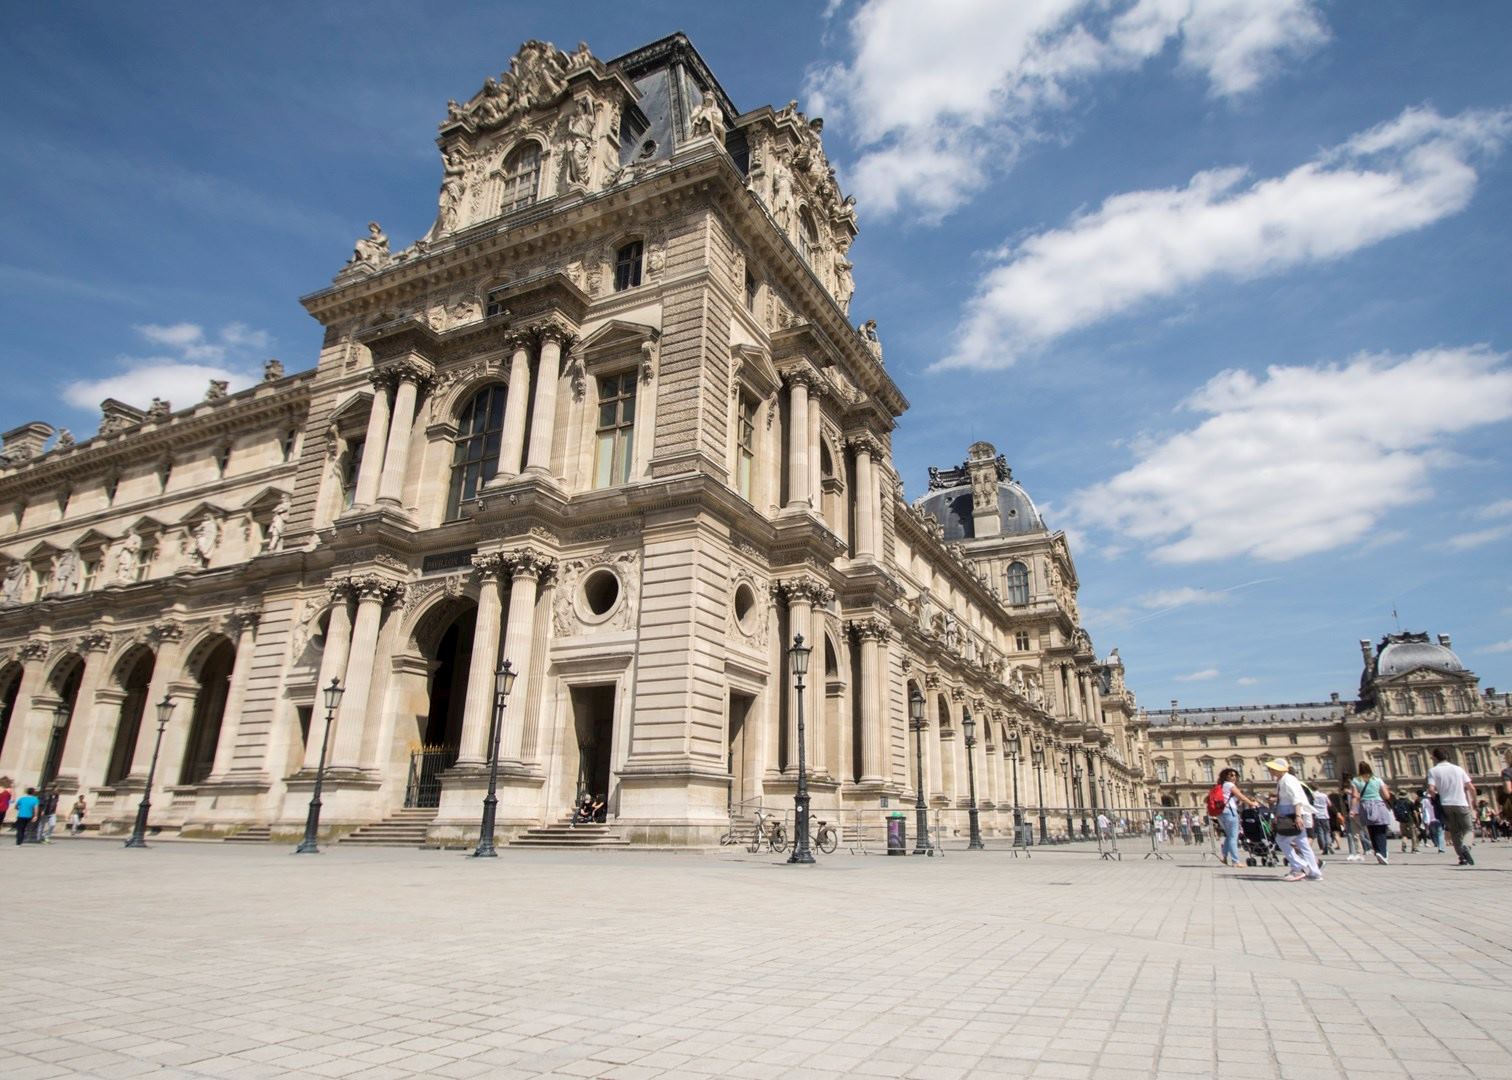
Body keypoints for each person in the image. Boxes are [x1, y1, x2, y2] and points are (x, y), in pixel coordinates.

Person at [1265, 759, 1322, 882]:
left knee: (1281, 840)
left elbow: (1296, 799)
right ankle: (1315, 872)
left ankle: (1299, 867)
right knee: (1303, 844)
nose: (1270, 771)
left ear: (1279, 769)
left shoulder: (1287, 780)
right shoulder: (1284, 779)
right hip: (1292, 812)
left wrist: (1298, 816)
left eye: (1272, 769)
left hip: (1291, 813)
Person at [1426, 748, 1476, 867]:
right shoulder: (1458, 769)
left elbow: (1431, 789)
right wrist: (1474, 800)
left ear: (1435, 758)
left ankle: (1462, 858)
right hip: (1461, 803)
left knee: (1455, 832)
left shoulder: (1433, 771)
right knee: (1468, 829)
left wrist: (1436, 798)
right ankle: (1466, 846)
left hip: (1445, 804)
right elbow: (1471, 787)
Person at [1212, 767, 1259, 867]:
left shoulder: (1221, 786)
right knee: (1233, 836)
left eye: (1235, 775)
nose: (1234, 777)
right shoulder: (1229, 785)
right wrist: (1252, 803)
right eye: (1231, 775)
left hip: (1221, 812)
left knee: (1229, 835)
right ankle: (1235, 861)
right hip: (1230, 812)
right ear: (1226, 776)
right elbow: (1241, 796)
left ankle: (1224, 856)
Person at [1353, 762, 1393, 864]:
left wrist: (1353, 810)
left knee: (1371, 830)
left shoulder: (1356, 780)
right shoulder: (1377, 779)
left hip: (1365, 806)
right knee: (1381, 830)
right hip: (1378, 805)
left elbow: (1355, 796)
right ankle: (1382, 853)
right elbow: (1387, 796)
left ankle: (1378, 851)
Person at [1420, 787, 1444, 853]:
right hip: (1438, 819)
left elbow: (1422, 809)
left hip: (1430, 820)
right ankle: (1441, 848)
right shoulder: (1438, 800)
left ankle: (1437, 844)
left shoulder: (1424, 801)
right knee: (1440, 834)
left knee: (1434, 833)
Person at [1312, 787, 1333, 855]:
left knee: (1320, 832)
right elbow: (1329, 804)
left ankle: (1324, 848)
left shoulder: (1312, 795)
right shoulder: (1324, 795)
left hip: (1317, 815)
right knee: (1327, 832)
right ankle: (1328, 844)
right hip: (1325, 815)